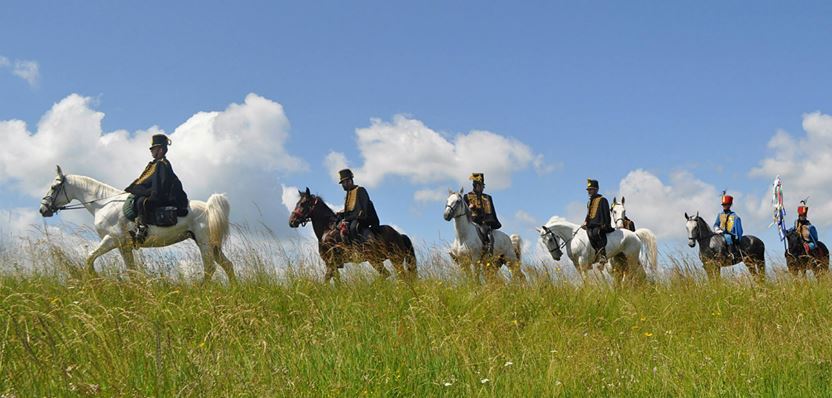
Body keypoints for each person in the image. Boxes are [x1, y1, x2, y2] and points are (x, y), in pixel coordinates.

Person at [125, 134, 189, 243]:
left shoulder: (162, 164)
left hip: (165, 196)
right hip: (157, 192)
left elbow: (161, 185)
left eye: (153, 149)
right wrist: (138, 190)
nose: (151, 151)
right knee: (138, 199)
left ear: (161, 150)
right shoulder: (154, 164)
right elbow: (148, 181)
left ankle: (142, 229)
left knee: (142, 202)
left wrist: (149, 194)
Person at [335, 169, 379, 243]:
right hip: (354, 218)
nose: (343, 185)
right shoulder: (348, 194)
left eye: (344, 183)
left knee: (353, 227)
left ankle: (358, 247)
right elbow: (349, 210)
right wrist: (341, 215)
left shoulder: (360, 190)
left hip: (365, 218)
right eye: (342, 183)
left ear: (349, 181)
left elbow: (362, 210)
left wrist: (347, 219)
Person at [464, 173, 502, 255]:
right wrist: (469, 208)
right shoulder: (467, 196)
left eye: (483, 186)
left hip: (483, 223)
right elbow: (463, 211)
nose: (483, 188)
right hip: (470, 222)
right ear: (477, 185)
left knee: (484, 230)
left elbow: (490, 213)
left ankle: (487, 247)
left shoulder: (487, 197)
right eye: (482, 186)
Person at [583, 179, 614, 263]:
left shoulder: (602, 199)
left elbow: (606, 213)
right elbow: (588, 214)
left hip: (600, 225)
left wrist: (605, 225)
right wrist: (585, 222)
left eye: (591, 189)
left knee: (596, 233)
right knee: (587, 233)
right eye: (588, 190)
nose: (589, 191)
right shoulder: (589, 202)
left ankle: (603, 255)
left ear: (596, 190)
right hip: (591, 225)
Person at [713, 193, 743, 261]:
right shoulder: (720, 214)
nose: (724, 206)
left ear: (729, 205)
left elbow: (739, 229)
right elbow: (716, 224)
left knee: (727, 237)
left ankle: (731, 253)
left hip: (730, 234)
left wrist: (738, 237)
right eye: (723, 205)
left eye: (726, 205)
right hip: (720, 233)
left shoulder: (735, 216)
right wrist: (717, 229)